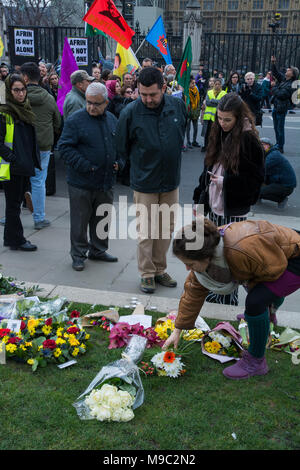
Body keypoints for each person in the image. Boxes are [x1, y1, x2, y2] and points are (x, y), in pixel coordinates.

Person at [164, 217, 300, 380]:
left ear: (206, 257)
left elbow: (273, 273)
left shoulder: (241, 249)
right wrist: (177, 330)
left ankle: (256, 362)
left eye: (190, 264)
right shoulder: (207, 249)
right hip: (268, 256)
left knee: (256, 302)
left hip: (292, 257)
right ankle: (265, 318)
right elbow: (193, 292)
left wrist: (259, 306)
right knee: (258, 300)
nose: (187, 268)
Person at [116, 66, 187, 294]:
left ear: (164, 88)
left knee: (166, 229)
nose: (147, 99)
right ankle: (146, 273)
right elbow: (122, 147)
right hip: (144, 182)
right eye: (143, 94)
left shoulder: (177, 107)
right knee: (146, 230)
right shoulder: (130, 112)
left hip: (170, 180)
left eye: (153, 95)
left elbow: (180, 137)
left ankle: (159, 269)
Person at [193, 93, 265, 305]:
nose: (222, 123)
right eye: (220, 118)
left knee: (230, 257)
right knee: (216, 254)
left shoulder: (249, 139)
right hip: (215, 206)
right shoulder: (218, 132)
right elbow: (207, 170)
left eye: (227, 120)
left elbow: (256, 179)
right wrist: (199, 201)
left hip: (233, 209)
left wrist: (226, 182)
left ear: (238, 117)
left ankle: (227, 298)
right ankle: (217, 293)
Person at [58, 82, 120, 272]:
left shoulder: (111, 119)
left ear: (106, 103)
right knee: (80, 221)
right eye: (89, 102)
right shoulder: (75, 120)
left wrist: (120, 162)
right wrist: (85, 166)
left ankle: (98, 250)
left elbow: (119, 145)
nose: (92, 107)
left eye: (96, 103)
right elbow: (64, 147)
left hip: (105, 181)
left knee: (102, 219)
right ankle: (78, 255)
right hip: (81, 182)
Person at [0, 74, 40, 251]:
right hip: (12, 167)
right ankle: (17, 239)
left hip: (24, 165)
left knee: (15, 205)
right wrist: (13, 159)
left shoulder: (24, 108)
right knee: (14, 205)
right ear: (9, 91)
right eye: (16, 90)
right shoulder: (4, 112)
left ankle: (10, 238)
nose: (21, 93)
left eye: (23, 89)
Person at [20, 62, 61, 230]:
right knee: (39, 181)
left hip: (21, 144)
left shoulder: (18, 97)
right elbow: (58, 122)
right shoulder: (49, 97)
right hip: (43, 145)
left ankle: (11, 215)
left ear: (25, 77)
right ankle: (39, 218)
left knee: (17, 180)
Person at [270, 56, 299, 153]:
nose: (287, 70)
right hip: (276, 107)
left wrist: (274, 87)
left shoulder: (292, 84)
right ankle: (278, 143)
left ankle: (280, 146)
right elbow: (276, 73)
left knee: (280, 128)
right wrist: (273, 63)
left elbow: (281, 94)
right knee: (276, 127)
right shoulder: (284, 80)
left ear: (292, 74)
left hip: (281, 109)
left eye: (289, 70)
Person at [259, 137, 297, 209]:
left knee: (257, 191)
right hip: (278, 181)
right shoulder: (269, 153)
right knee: (257, 187)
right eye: (260, 145)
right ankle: (258, 197)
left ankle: (281, 199)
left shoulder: (273, 156)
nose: (261, 146)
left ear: (269, 146)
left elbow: (261, 169)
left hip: (285, 186)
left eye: (263, 144)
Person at [201, 78, 227, 152]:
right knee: (207, 133)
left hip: (217, 117)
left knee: (216, 133)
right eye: (216, 84)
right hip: (208, 117)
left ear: (221, 85)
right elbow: (208, 103)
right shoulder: (209, 92)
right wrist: (216, 102)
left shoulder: (224, 93)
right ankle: (206, 146)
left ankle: (214, 147)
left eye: (219, 84)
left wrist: (213, 101)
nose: (217, 86)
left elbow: (223, 102)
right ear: (213, 85)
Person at [186, 76, 201, 149]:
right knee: (188, 128)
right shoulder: (186, 91)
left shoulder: (196, 90)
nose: (194, 84)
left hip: (195, 111)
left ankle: (194, 141)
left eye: (194, 83)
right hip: (189, 112)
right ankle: (188, 142)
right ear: (188, 84)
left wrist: (198, 110)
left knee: (196, 128)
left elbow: (198, 101)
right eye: (192, 83)